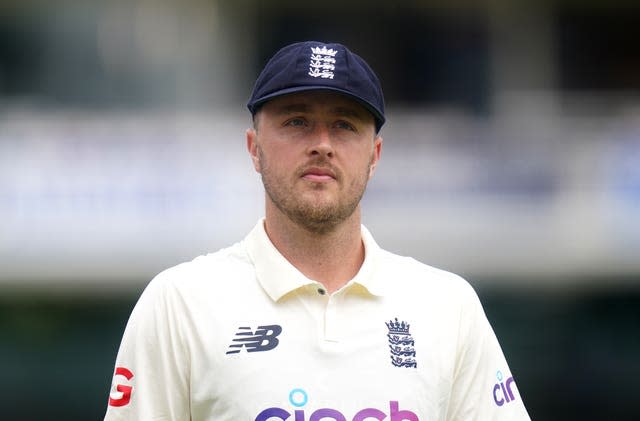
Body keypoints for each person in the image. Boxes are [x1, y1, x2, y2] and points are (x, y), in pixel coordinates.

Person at [104, 41, 531, 421]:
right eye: (296, 122)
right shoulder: (179, 304)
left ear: (374, 155)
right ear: (254, 148)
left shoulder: (448, 308)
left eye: (345, 125)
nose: (322, 143)